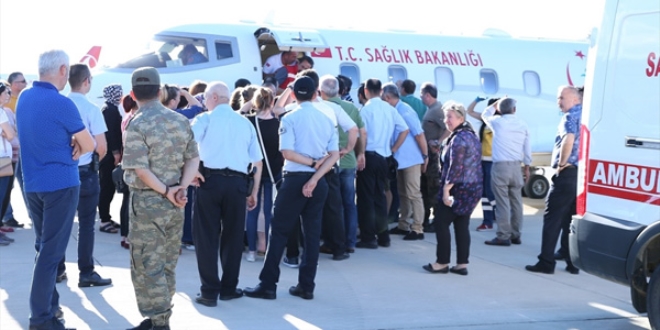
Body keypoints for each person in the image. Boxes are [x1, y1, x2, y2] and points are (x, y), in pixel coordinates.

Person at [17, 49, 95, 330]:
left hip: (33, 184)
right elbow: (90, 145)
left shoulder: (24, 97)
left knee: (44, 249)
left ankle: (50, 308)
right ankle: (41, 319)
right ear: (63, 70)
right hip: (60, 185)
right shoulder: (62, 104)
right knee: (50, 254)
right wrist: (74, 142)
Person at [244, 76, 339, 301]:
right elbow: (334, 155)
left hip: (296, 178)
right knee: (312, 235)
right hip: (318, 181)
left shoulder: (290, 118)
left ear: (293, 95)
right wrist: (316, 176)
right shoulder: (326, 120)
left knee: (278, 231)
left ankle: (268, 285)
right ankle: (306, 286)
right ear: (316, 93)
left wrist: (311, 168)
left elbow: (287, 153)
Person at [122, 67, 199, 330]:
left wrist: (168, 191)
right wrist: (180, 188)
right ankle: (159, 317)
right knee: (166, 262)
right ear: (159, 91)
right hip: (175, 203)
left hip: (148, 202)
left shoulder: (138, 122)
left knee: (146, 264)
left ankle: (159, 322)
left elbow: (140, 170)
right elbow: (193, 158)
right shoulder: (179, 120)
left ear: (133, 94)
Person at [190, 81, 263, 307]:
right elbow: (257, 162)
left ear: (212, 98)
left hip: (209, 182)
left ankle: (209, 292)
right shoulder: (245, 123)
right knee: (232, 238)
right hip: (238, 185)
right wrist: (254, 192)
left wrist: (192, 173)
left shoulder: (204, 119)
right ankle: (229, 288)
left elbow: (187, 145)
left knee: (206, 237)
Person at [63, 63, 112, 288]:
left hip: (61, 172)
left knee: (59, 225)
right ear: (86, 81)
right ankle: (86, 272)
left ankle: (58, 269)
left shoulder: (60, 105)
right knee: (86, 225)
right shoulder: (92, 109)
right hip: (85, 174)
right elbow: (101, 146)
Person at [526, 86, 583, 275]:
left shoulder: (569, 117)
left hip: (567, 174)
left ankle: (546, 262)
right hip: (580, 176)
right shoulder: (587, 115)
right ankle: (572, 262)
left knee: (552, 219)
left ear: (575, 99)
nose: (558, 101)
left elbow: (569, 138)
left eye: (561, 98)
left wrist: (561, 163)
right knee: (570, 220)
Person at [423, 102, 482, 276]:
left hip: (458, 188)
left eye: (450, 117)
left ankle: (442, 262)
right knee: (461, 224)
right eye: (445, 116)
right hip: (473, 187)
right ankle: (462, 263)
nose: (446, 120)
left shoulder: (458, 139)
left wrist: (446, 191)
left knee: (441, 222)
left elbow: (455, 168)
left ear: (461, 118)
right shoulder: (471, 135)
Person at [356, 78, 409, 249]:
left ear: (365, 91)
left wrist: (361, 153)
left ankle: (368, 237)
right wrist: (393, 148)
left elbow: (362, 134)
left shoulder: (366, 109)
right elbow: (404, 129)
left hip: (369, 156)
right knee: (380, 197)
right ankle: (383, 235)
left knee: (365, 198)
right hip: (385, 157)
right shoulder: (390, 109)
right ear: (380, 91)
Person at [323, 76, 366, 253]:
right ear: (341, 90)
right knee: (349, 203)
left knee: (332, 205)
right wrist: (360, 153)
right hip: (348, 161)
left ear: (321, 91)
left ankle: (332, 241)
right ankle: (350, 242)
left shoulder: (321, 107)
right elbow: (362, 132)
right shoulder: (351, 108)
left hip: (328, 162)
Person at [482, 98, 532, 246]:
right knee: (517, 202)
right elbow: (527, 148)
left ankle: (503, 235)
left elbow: (485, 114)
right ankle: (516, 234)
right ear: (514, 109)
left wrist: (495, 104)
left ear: (499, 110)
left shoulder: (497, 122)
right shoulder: (523, 124)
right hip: (516, 166)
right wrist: (527, 166)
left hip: (500, 166)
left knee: (502, 202)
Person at [381, 84, 428, 241]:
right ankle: (404, 224)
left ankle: (417, 228)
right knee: (403, 193)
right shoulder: (395, 110)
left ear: (388, 98)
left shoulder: (405, 111)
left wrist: (425, 156)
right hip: (400, 160)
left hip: (411, 159)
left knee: (413, 193)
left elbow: (419, 135)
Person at [245, 87, 283, 262]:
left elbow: (237, 112)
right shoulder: (279, 123)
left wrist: (249, 105)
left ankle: (251, 251)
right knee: (269, 212)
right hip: (274, 172)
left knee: (251, 211)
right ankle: (267, 249)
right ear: (272, 102)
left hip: (252, 171)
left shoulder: (249, 121)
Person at [467, 97, 500, 231]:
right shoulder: (485, 120)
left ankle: (500, 213)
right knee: (484, 193)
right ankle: (488, 220)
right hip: (483, 160)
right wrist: (476, 100)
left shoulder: (499, 122)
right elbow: (469, 111)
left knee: (490, 192)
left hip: (493, 160)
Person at [420, 83, 448, 233]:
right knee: (426, 188)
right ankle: (425, 219)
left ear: (427, 95)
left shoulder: (438, 110)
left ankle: (437, 221)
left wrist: (438, 141)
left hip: (433, 156)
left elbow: (448, 128)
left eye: (421, 94)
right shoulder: (431, 110)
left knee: (434, 188)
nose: (420, 97)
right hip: (428, 155)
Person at [3, 72, 28, 229]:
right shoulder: (6, 107)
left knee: (24, 182)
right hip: (6, 153)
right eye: (22, 81)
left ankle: (32, 213)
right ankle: (7, 216)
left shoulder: (23, 100)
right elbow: (10, 132)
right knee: (6, 186)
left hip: (19, 150)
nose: (26, 83)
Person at [98, 84, 123, 234]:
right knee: (107, 186)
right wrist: (115, 152)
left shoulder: (109, 108)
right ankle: (104, 220)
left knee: (108, 186)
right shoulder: (110, 110)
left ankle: (106, 216)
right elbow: (111, 134)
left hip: (108, 154)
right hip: (108, 155)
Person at [119, 94, 139, 249]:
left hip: (126, 164)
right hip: (133, 165)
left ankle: (125, 235)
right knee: (130, 203)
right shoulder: (134, 119)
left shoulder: (127, 117)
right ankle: (128, 236)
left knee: (126, 202)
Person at [0, 82, 17, 245]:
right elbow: (11, 135)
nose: (8, 96)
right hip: (2, 159)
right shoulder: (2, 112)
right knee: (1, 194)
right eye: (6, 92)